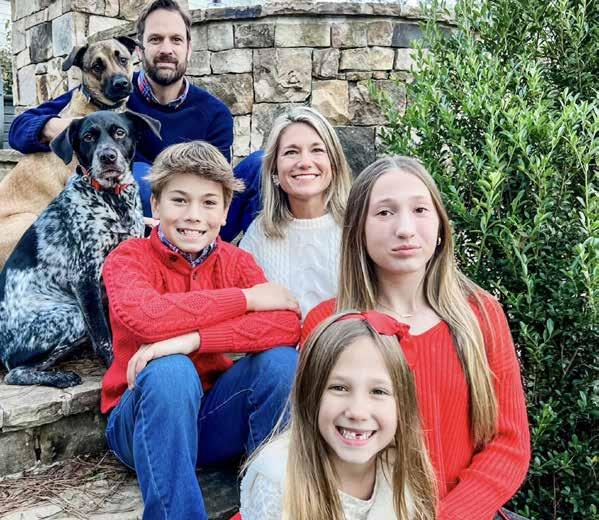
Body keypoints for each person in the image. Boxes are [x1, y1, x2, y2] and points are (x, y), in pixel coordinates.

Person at [302, 156, 531, 520]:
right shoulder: (327, 322)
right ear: (358, 229)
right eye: (384, 213)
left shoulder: (481, 315)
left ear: (440, 224)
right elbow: (308, 444)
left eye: (420, 209)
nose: (405, 229)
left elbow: (509, 444)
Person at [101, 140, 301, 520]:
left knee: (281, 363)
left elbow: (286, 325)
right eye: (179, 200)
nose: (194, 215)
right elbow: (148, 317)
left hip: (212, 419)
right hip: (140, 422)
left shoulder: (237, 262)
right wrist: (245, 299)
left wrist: (191, 340)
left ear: (225, 213)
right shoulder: (128, 258)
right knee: (171, 370)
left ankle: (268, 502)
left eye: (209, 203)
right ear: (155, 205)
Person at [8, 0, 261, 242]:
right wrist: (59, 127)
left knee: (261, 164)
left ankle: (245, 259)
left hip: (197, 214)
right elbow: (19, 128)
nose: (166, 49)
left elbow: (218, 183)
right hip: (140, 215)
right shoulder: (104, 98)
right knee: (138, 174)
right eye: (155, 39)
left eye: (176, 40)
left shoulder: (214, 113)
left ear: (188, 48)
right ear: (140, 50)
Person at [240, 311, 437, 520]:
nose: (358, 412)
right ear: (310, 394)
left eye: (378, 391)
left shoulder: (401, 473)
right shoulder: (277, 482)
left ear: (402, 405)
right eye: (339, 388)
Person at [239, 107, 352, 317]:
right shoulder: (258, 235)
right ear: (274, 170)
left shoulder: (357, 229)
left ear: (334, 164)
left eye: (317, 150)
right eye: (291, 152)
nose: (305, 163)